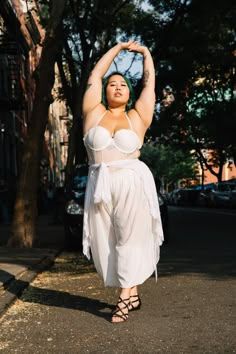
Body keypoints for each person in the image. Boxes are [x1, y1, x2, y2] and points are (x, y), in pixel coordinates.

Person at [82, 41, 164, 323]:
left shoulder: (137, 117)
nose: (117, 87)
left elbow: (150, 84)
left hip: (131, 182)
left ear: (129, 94)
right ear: (105, 90)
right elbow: (94, 75)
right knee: (106, 242)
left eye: (123, 85)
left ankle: (123, 298)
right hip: (99, 183)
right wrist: (117, 48)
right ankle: (132, 290)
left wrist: (146, 53)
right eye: (112, 84)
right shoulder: (93, 112)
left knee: (128, 239)